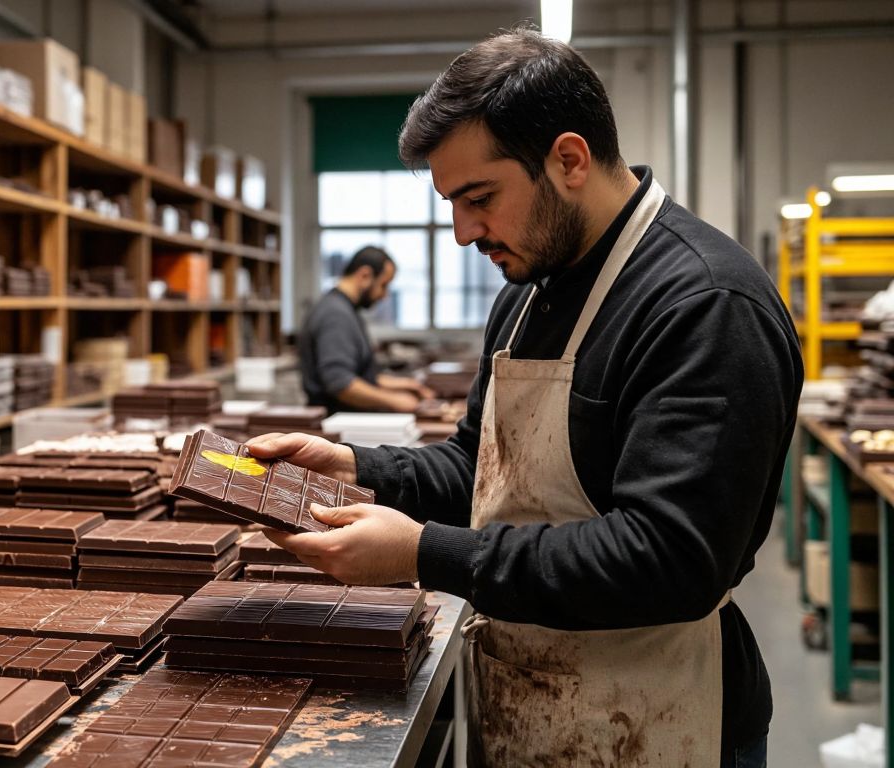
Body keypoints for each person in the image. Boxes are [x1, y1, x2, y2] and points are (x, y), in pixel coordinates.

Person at [251, 28, 799, 768]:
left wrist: (422, 552)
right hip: (531, 695)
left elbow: (669, 558)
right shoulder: (530, 292)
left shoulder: (704, 303)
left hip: (660, 716)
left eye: (479, 198)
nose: (462, 233)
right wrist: (357, 468)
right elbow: (480, 468)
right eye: (451, 203)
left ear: (569, 159)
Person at [298, 246, 430, 413]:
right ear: (365, 275)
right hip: (337, 426)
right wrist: (395, 400)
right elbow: (340, 383)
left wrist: (406, 385)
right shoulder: (335, 314)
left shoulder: (344, 308)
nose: (385, 295)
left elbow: (359, 376)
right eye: (384, 285)